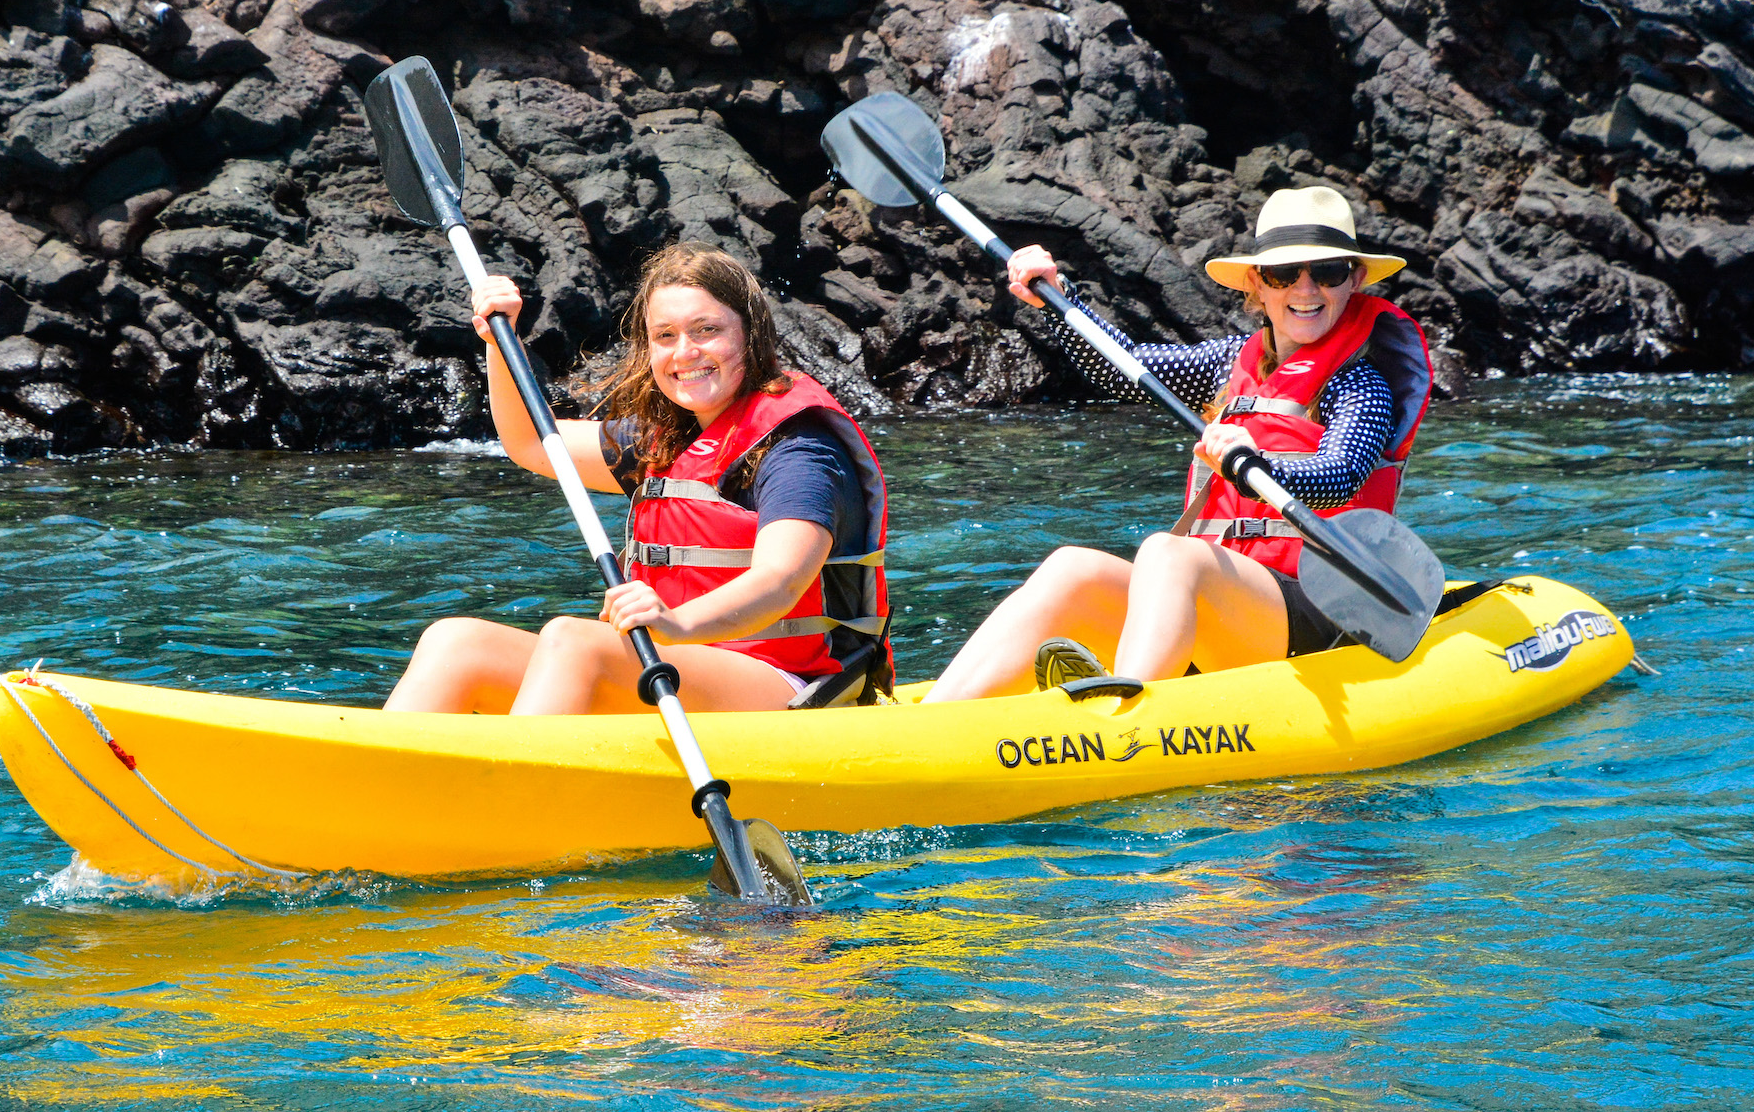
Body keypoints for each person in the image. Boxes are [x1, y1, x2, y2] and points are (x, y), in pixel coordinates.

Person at [922, 186, 1433, 702]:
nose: (1306, 289)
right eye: (1284, 274)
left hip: (1316, 610)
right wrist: (1059, 300)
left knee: (1170, 554)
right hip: (1230, 607)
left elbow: (1339, 476)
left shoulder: (1360, 382)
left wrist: (1258, 464)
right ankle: (935, 720)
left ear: (1355, 278)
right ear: (1257, 282)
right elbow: (1123, 370)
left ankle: (1125, 718)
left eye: (1327, 272)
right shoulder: (1229, 361)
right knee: (1072, 568)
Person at [386, 242, 891, 716]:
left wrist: (675, 623)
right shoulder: (663, 442)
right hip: (684, 664)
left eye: (706, 330)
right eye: (665, 336)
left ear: (750, 334)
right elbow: (532, 444)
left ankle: (513, 798)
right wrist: (500, 342)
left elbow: (780, 582)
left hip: (795, 684)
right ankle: (383, 784)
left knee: (577, 641)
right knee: (456, 642)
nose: (685, 352)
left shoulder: (798, 449)